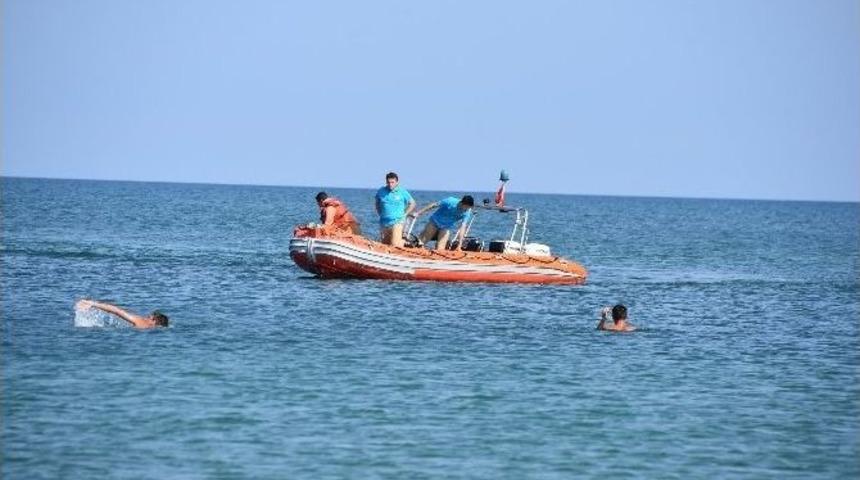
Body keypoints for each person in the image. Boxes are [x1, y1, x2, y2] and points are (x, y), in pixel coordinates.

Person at [374, 172, 416, 247]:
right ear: (386, 182)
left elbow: (412, 203)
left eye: (392, 182)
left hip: (397, 221)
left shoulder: (402, 191)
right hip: (384, 222)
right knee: (385, 245)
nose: (390, 184)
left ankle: (406, 242)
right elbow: (377, 204)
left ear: (397, 182)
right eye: (388, 182)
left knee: (394, 244)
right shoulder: (381, 191)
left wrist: (405, 214)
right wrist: (380, 214)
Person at [76, 299, 168, 329]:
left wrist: (92, 304)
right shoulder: (155, 328)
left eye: (148, 317)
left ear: (154, 320)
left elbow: (117, 311)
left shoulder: (140, 321)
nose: (146, 317)